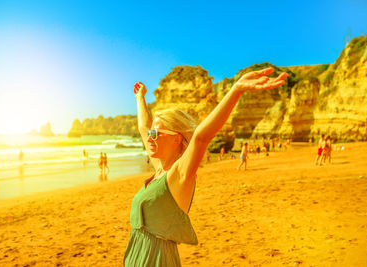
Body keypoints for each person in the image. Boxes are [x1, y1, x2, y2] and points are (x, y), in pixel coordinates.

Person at [123, 68, 288, 266]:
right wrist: (140, 98)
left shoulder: (179, 174)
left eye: (156, 134)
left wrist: (236, 90)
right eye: (151, 134)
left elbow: (201, 137)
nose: (150, 138)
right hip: (135, 258)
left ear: (176, 139)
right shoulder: (159, 169)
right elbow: (144, 127)